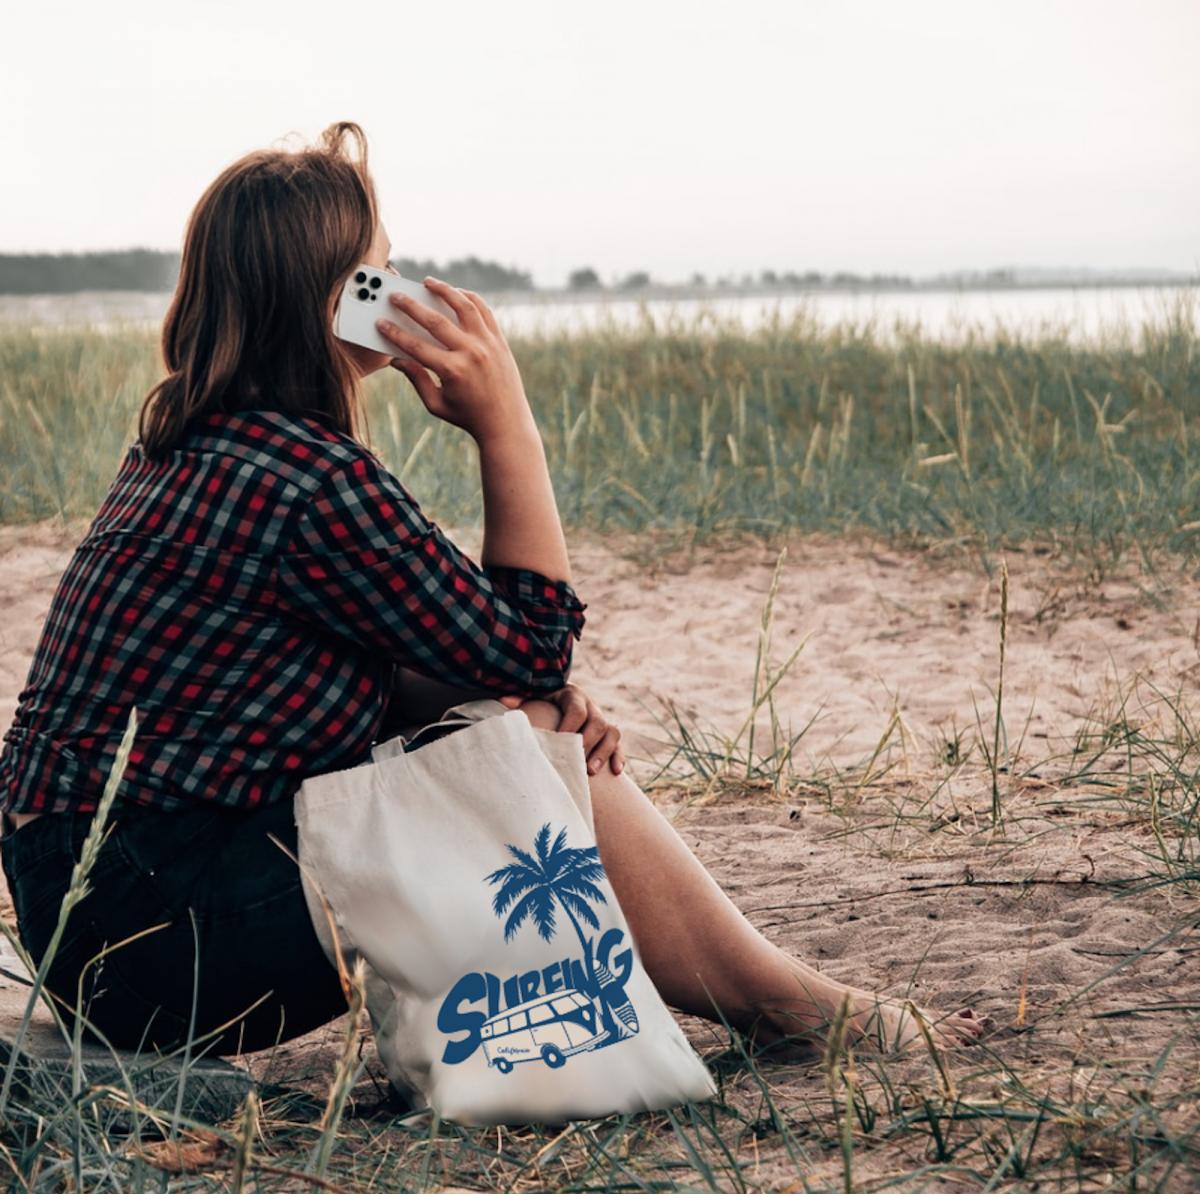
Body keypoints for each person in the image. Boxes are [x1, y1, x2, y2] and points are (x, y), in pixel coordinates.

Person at [0, 122, 983, 1063]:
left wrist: (515, 702)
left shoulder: (189, 448)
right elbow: (530, 644)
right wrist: (506, 421)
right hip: (160, 932)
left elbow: (326, 676)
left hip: (88, 922)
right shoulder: (307, 479)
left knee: (512, 720)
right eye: (376, 271)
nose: (402, 290)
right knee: (525, 737)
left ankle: (772, 999)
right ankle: (784, 1006)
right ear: (332, 300)